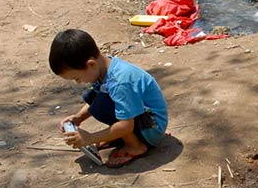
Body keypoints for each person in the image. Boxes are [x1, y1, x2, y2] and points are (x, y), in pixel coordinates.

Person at [48, 29, 168, 168]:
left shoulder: (119, 82)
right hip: (140, 119)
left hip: (152, 128)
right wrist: (79, 118)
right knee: (94, 97)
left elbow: (125, 125)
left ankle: (135, 145)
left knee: (103, 105)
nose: (78, 82)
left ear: (91, 64)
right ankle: (122, 137)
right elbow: (99, 96)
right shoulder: (104, 67)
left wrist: (90, 138)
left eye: (77, 78)